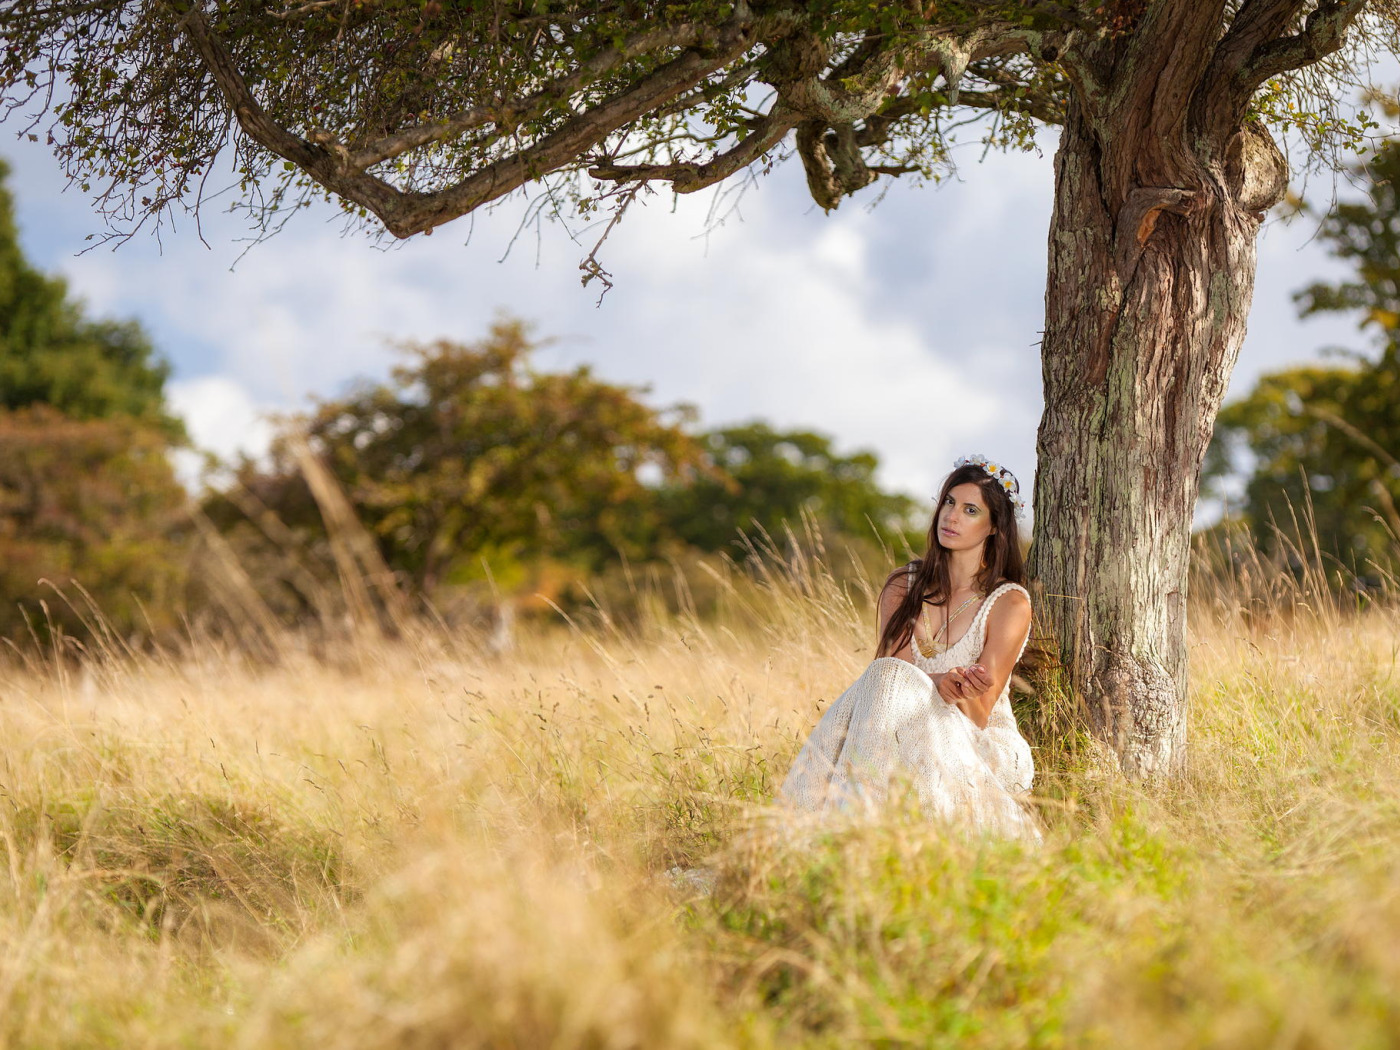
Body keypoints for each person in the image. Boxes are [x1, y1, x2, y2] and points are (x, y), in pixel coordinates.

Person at [779, 454, 1040, 839]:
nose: (951, 517)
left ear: (993, 528)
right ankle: (850, 827)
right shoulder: (905, 585)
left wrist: (958, 687)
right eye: (949, 503)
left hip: (979, 740)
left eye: (970, 510)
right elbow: (886, 686)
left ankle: (848, 826)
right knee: (883, 678)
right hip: (895, 729)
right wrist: (937, 681)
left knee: (888, 687)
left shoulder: (1008, 603)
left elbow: (981, 712)